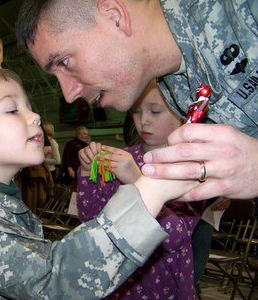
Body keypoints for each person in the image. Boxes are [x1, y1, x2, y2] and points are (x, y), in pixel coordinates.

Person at [0, 69, 198, 299]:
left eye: (29, 106)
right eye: (12, 109)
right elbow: (55, 283)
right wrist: (147, 192)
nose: (36, 116)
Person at [15, 0, 258, 202]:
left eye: (65, 62)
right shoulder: (176, 90)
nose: (69, 95)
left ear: (114, 16)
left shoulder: (237, 9)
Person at [78, 80, 202, 299]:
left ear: (182, 114)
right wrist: (88, 174)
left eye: (155, 111)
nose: (144, 121)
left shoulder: (189, 168)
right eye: (136, 112)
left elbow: (175, 237)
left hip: (165, 282)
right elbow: (91, 219)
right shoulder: (123, 158)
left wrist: (137, 179)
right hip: (121, 283)